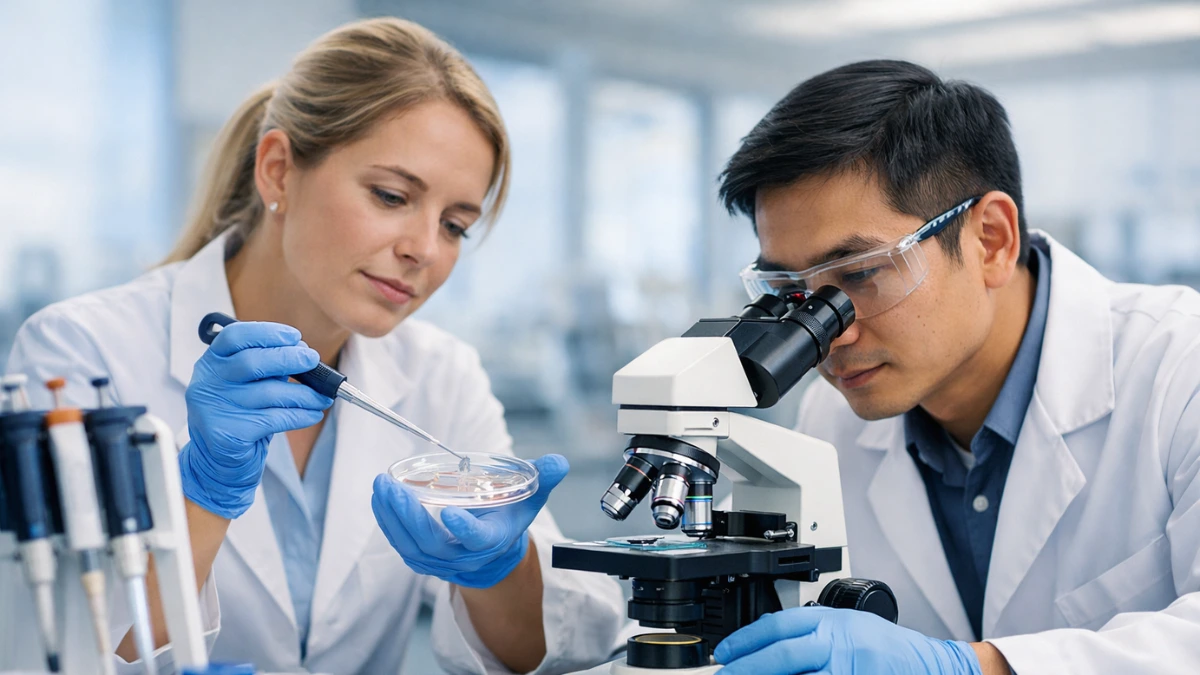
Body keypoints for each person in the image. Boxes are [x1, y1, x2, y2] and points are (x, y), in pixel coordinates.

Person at [6, 17, 624, 675]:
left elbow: (543, 650)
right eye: (391, 195)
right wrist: (204, 496)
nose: (424, 248)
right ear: (277, 171)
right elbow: (54, 644)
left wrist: (499, 568)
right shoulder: (82, 353)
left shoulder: (441, 376)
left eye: (454, 225)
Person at [710, 60, 1200, 675]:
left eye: (860, 274)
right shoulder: (831, 418)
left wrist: (972, 668)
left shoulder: (1181, 371)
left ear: (990, 240)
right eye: (790, 290)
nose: (830, 335)